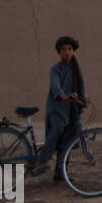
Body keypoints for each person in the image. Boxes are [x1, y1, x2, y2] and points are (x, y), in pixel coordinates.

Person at [31, 36, 88, 180]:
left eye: (69, 49)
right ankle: (42, 161)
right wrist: (64, 96)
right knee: (57, 129)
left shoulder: (76, 70)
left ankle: (61, 172)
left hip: (72, 109)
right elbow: (55, 86)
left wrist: (84, 100)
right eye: (64, 49)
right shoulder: (55, 69)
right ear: (59, 52)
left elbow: (81, 87)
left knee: (68, 139)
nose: (67, 52)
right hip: (58, 108)